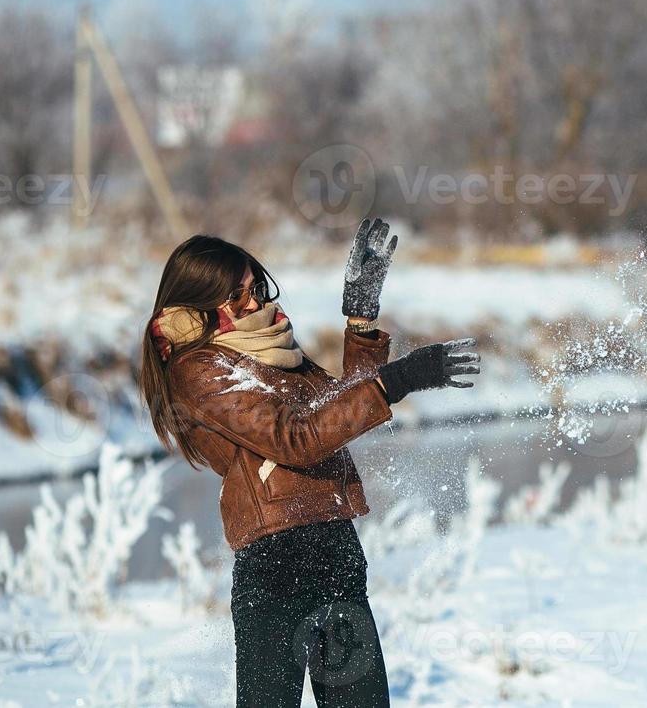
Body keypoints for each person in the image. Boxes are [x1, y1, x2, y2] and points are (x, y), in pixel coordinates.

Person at [138, 218, 481, 708]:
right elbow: (296, 439)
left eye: (255, 287)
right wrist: (400, 378)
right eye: (237, 298)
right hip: (276, 567)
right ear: (198, 312)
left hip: (336, 554)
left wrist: (361, 322)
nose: (256, 303)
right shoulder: (199, 370)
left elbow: (342, 411)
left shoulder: (276, 351)